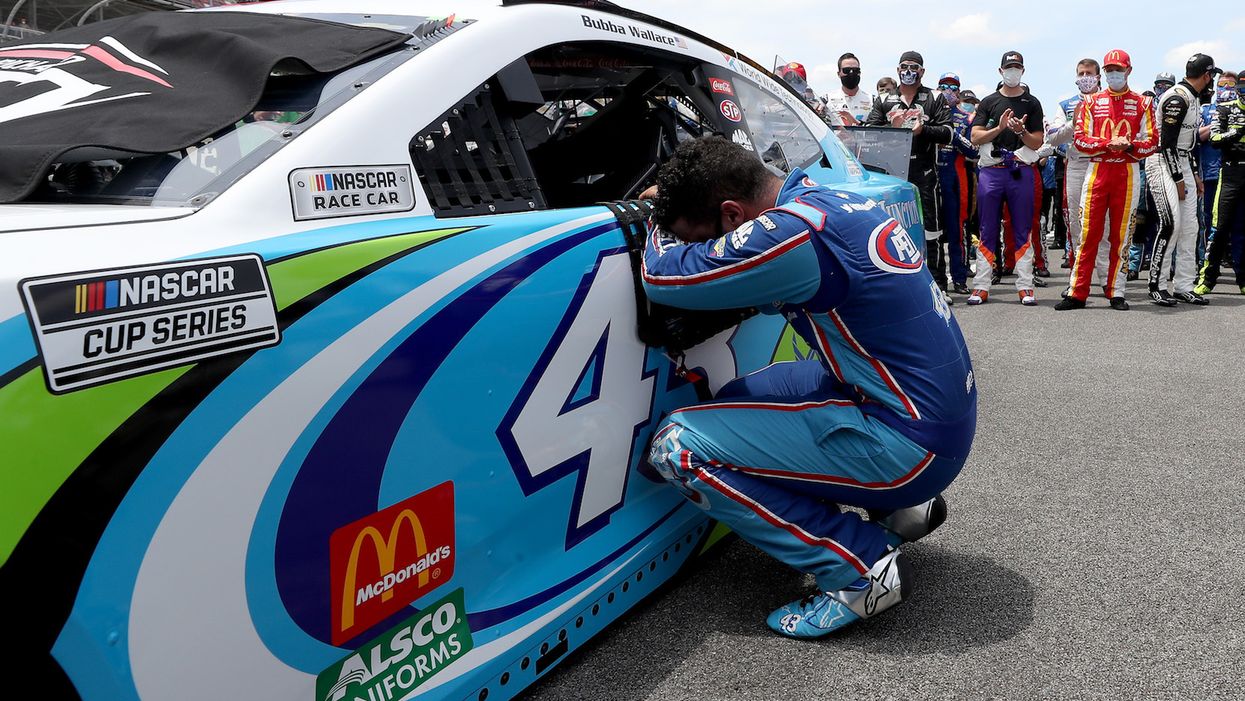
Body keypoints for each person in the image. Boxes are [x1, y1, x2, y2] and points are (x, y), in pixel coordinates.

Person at [641, 135, 975, 639]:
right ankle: (904, 510)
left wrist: (655, 220)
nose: (702, 245)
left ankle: (858, 570)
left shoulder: (794, 234)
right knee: (739, 399)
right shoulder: (822, 194)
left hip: (911, 445)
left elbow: (663, 277)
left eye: (701, 236)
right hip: (934, 416)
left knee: (679, 447)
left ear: (733, 215)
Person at [1055, 49, 1157, 311]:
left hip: (1128, 173)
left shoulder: (1144, 103)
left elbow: (1152, 141)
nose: (1114, 74)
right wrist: (1108, 144)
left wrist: (1130, 145)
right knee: (1088, 233)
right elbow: (1080, 140)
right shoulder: (1090, 103)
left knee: (1121, 235)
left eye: (1118, 69)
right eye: (1109, 70)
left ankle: (1116, 291)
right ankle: (1078, 292)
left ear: (1128, 71)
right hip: (1097, 171)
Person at [865, 51, 954, 302]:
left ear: (922, 71)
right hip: (892, 174)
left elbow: (948, 132)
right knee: (892, 229)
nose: (908, 71)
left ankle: (939, 284)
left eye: (913, 67)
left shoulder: (934, 97)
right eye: (904, 66)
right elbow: (869, 133)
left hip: (925, 171)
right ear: (897, 69)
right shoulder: (884, 99)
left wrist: (923, 129)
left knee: (932, 229)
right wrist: (892, 130)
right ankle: (896, 286)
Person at [967, 51, 1046, 305]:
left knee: (1023, 227)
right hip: (991, 172)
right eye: (1008, 68)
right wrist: (999, 128)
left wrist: (1021, 130)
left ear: (1023, 71)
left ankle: (1025, 286)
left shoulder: (1031, 102)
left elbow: (1037, 142)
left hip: (1020, 172)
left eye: (1017, 68)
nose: (1013, 72)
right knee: (987, 228)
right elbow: (975, 137)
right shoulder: (989, 101)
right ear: (1000, 71)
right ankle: (981, 286)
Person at [1141, 54, 1219, 306]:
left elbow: (1189, 144)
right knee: (1170, 223)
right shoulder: (1178, 97)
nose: (1213, 82)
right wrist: (1178, 180)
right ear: (1206, 75)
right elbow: (1167, 145)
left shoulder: (1194, 98)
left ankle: (1184, 285)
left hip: (1183, 161)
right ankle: (1157, 284)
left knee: (1190, 228)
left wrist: (1194, 174)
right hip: (1162, 163)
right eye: (1212, 76)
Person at [1048, 58, 1102, 279]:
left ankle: (1105, 272)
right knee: (1074, 221)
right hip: (1076, 164)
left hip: (1102, 164)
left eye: (1089, 73)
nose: (1085, 77)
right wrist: (1074, 122)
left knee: (1102, 220)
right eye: (1081, 74)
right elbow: (1052, 137)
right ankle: (1078, 273)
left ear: (1098, 76)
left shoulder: (1109, 101)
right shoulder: (1066, 104)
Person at [1194, 71, 1245, 295]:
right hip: (1230, 172)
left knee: (1243, 230)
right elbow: (1214, 138)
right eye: (1241, 88)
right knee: (1220, 227)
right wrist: (1237, 131)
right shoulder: (1224, 108)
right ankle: (1207, 279)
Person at [936, 72, 977, 295]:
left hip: (956, 175)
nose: (948, 91)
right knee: (930, 232)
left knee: (956, 229)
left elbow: (973, 150)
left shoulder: (966, 118)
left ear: (959, 92)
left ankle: (959, 278)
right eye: (943, 86)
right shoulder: (928, 114)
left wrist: (952, 134)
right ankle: (933, 278)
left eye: (952, 87)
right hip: (931, 175)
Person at [824, 53, 873, 126]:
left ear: (859, 72)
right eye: (846, 70)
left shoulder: (872, 99)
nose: (851, 73)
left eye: (855, 70)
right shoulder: (826, 99)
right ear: (838, 73)